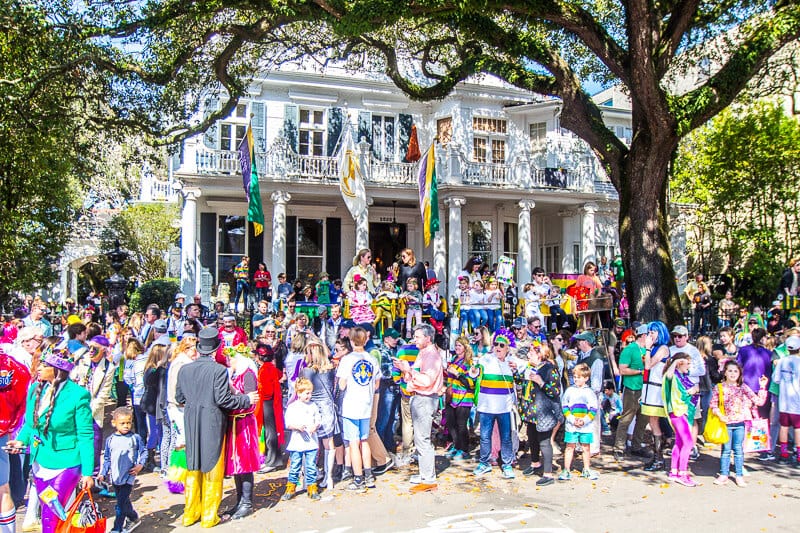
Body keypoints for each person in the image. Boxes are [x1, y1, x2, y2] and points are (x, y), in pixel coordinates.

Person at [175, 328, 258, 528]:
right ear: (216, 349)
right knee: (212, 466)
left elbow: (179, 398)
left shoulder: (184, 369)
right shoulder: (218, 370)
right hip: (212, 421)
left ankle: (190, 513)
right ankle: (209, 516)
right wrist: (245, 399)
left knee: (193, 464)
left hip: (191, 420)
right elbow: (224, 399)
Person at [7, 344, 95, 533]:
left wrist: (88, 472)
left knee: (50, 513)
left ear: (57, 369)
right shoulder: (35, 390)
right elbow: (30, 424)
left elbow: (86, 435)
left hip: (66, 463)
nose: (37, 368)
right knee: (54, 512)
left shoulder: (78, 395)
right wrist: (20, 441)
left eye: (42, 365)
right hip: (40, 462)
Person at [393, 324, 443, 489]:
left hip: (425, 398)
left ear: (428, 338)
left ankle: (428, 478)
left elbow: (426, 380)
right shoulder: (423, 353)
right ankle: (424, 473)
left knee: (423, 439)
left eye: (418, 337)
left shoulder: (432, 356)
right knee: (419, 438)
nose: (415, 339)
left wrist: (409, 370)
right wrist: (405, 370)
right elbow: (413, 378)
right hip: (418, 397)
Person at [337, 327, 381, 492]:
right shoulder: (371, 359)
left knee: (353, 443)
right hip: (366, 405)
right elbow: (377, 383)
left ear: (351, 340)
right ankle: (368, 475)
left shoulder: (347, 360)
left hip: (351, 405)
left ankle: (358, 478)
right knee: (364, 440)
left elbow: (341, 385)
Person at [711, 361, 768, 487]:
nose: (732, 373)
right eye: (730, 371)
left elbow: (758, 401)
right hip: (725, 423)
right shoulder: (719, 387)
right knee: (725, 450)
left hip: (740, 423)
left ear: (740, 374)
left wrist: (762, 387)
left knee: (738, 450)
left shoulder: (743, 387)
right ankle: (724, 474)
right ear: (725, 372)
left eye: (735, 371)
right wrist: (721, 416)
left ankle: (739, 475)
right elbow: (713, 405)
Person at [469, 329, 517, 479]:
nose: (498, 347)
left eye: (501, 345)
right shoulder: (486, 359)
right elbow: (474, 373)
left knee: (506, 437)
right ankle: (484, 463)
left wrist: (517, 370)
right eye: (496, 343)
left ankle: (507, 464)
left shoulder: (512, 363)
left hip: (504, 407)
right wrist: (473, 370)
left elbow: (525, 372)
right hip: (486, 407)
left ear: (508, 347)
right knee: (484, 436)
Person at [517, 342, 563, 486]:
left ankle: (548, 474)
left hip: (544, 412)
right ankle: (535, 463)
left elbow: (555, 392)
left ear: (540, 354)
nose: (529, 354)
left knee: (544, 441)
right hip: (531, 410)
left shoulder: (549, 369)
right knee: (532, 437)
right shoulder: (532, 368)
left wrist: (541, 382)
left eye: (531, 352)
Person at [98, 407, 146, 533]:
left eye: (129, 423)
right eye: (122, 423)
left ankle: (117, 528)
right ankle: (134, 517)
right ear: (114, 423)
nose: (126, 426)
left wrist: (140, 465)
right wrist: (103, 473)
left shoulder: (135, 438)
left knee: (120, 504)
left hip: (128, 477)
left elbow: (144, 452)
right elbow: (107, 458)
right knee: (124, 502)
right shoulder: (110, 440)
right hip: (115, 477)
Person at [0, 349, 31, 532]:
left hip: (3, 432)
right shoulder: (14, 366)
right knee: (3, 489)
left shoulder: (12, 367)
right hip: (4, 431)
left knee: (3, 489)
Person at [301, 340, 338, 488]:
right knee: (328, 442)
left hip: (313, 409)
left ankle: (309, 477)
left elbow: (302, 390)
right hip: (328, 407)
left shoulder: (307, 371)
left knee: (309, 443)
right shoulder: (330, 369)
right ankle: (328, 478)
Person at [613, 324, 650, 461]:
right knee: (627, 417)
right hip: (632, 388)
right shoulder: (629, 350)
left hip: (646, 389)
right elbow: (622, 369)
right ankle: (619, 447)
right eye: (649, 335)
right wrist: (640, 372)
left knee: (643, 418)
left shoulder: (648, 350)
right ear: (644, 335)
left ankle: (636, 446)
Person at [661, 352, 699, 486]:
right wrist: (675, 362)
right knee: (688, 443)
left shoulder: (681, 377)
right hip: (677, 412)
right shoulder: (671, 376)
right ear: (680, 363)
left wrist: (692, 391)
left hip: (680, 412)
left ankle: (673, 471)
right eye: (687, 363)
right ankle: (683, 474)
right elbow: (669, 375)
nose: (689, 366)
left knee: (679, 443)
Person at [281, 378, 322, 501]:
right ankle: (291, 488)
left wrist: (315, 426)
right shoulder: (293, 407)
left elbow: (318, 419)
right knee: (295, 466)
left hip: (311, 441)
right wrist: (297, 427)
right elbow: (288, 423)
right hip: (297, 442)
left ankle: (312, 487)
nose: (309, 396)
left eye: (310, 393)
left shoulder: (313, 405)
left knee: (310, 465)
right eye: (306, 393)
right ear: (298, 393)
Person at [559, 363, 599, 481]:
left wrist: (585, 420)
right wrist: (571, 419)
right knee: (569, 446)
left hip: (585, 426)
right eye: (575, 377)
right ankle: (566, 469)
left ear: (586, 378)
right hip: (571, 425)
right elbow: (565, 406)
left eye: (579, 377)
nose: (576, 379)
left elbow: (593, 409)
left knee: (586, 447)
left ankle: (586, 469)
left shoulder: (589, 392)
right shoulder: (570, 390)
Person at [641, 321, 671, 472]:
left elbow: (648, 365)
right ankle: (657, 456)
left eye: (653, 332)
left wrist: (647, 348)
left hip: (656, 390)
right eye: (649, 331)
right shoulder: (654, 348)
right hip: (649, 388)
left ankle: (659, 458)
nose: (650, 334)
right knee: (651, 422)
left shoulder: (663, 349)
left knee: (654, 421)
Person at [254, 343, 285, 473]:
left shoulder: (265, 369)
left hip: (268, 403)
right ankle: (271, 459)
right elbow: (280, 376)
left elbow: (267, 392)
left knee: (270, 432)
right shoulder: (269, 367)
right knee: (269, 431)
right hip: (271, 402)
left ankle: (272, 461)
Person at [444, 337, 474, 462]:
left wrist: (457, 374)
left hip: (464, 397)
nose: (457, 348)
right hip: (451, 396)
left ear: (465, 348)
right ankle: (456, 446)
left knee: (462, 425)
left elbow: (471, 383)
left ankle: (464, 449)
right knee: (451, 423)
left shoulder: (469, 363)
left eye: (460, 346)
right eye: (456, 345)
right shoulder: (453, 359)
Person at [771, 335, 800, 464]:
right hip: (797, 401)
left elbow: (776, 379)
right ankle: (798, 454)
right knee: (798, 428)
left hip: (784, 400)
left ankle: (783, 454)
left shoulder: (782, 361)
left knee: (784, 426)